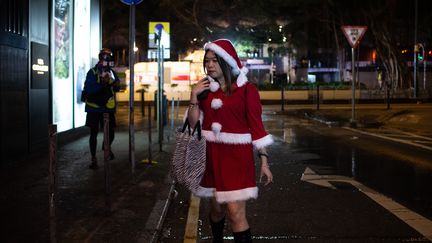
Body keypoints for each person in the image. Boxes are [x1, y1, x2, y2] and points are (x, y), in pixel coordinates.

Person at [187, 39, 273, 242]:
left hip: (237, 159)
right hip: (211, 158)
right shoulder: (204, 90)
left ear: (226, 62)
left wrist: (264, 161)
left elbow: (257, 127)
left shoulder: (246, 90)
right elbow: (193, 125)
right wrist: (193, 96)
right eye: (206, 61)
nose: (209, 65)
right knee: (217, 211)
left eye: (214, 60)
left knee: (235, 213)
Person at [82, 48, 120, 169]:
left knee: (111, 132)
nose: (106, 59)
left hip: (107, 108)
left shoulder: (112, 72)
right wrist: (102, 84)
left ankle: (106, 147)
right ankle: (93, 159)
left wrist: (115, 84)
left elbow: (117, 87)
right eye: (104, 57)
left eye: (108, 57)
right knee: (93, 134)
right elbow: (89, 89)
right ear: (100, 58)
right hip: (94, 108)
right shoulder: (92, 72)